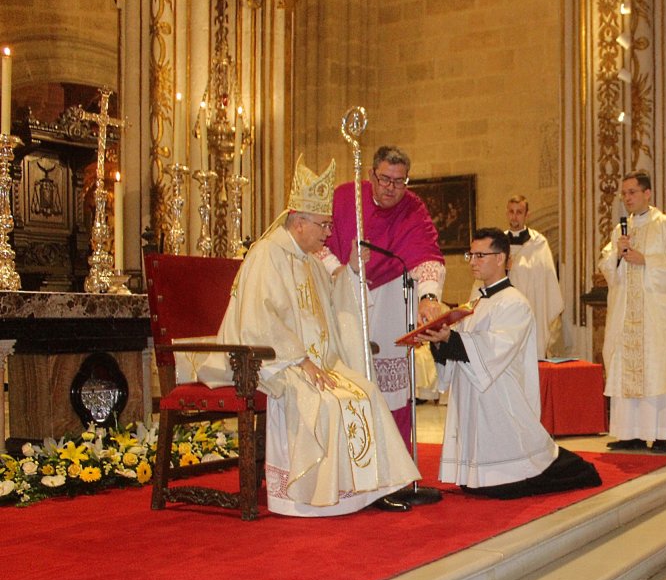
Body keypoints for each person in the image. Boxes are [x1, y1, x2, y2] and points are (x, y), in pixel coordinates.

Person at [212, 155, 421, 516]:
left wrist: (352, 271)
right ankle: (312, 493)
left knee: (368, 391)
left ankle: (365, 489)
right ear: (299, 223)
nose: (328, 234)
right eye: (323, 226)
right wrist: (301, 360)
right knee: (325, 401)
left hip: (315, 361)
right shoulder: (267, 255)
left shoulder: (309, 261)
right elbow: (258, 318)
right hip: (273, 360)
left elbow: (331, 303)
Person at [416, 228, 602, 498]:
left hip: (500, 398)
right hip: (474, 395)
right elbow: (461, 350)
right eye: (471, 254)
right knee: (482, 484)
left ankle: (576, 471)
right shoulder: (476, 302)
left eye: (481, 255)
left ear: (501, 258)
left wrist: (451, 337)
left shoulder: (515, 302)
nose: (472, 261)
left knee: (519, 476)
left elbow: (494, 348)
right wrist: (439, 340)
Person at [324, 146, 446, 451]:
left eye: (400, 181)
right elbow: (316, 243)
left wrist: (428, 297)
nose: (392, 188)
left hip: (391, 299)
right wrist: (344, 271)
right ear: (371, 175)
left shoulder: (413, 208)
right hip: (345, 299)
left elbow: (427, 253)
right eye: (385, 179)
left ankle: (396, 466)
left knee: (392, 389)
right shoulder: (343, 198)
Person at [598, 172, 666, 452]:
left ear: (647, 193)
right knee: (625, 368)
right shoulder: (621, 230)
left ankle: (660, 433)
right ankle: (630, 434)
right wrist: (617, 256)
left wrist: (646, 261)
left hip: (655, 316)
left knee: (656, 370)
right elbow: (606, 264)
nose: (627, 198)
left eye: (632, 192)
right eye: (624, 194)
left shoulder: (665, 225)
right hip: (626, 315)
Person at [501, 194, 563, 359]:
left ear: (527, 215)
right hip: (505, 312)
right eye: (511, 212)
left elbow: (547, 280)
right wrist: (505, 269)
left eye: (519, 212)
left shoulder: (539, 244)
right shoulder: (498, 243)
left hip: (533, 309)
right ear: (507, 213)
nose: (515, 216)